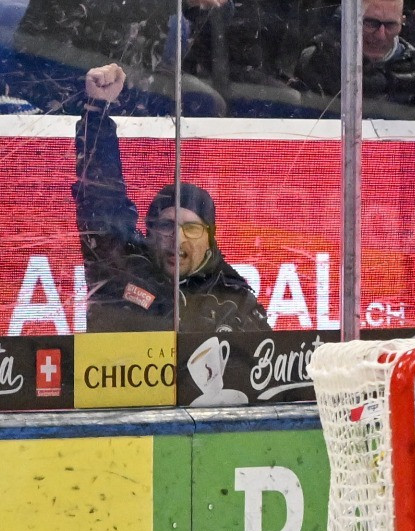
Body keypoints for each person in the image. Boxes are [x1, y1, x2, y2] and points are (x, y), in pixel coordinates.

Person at [73, 65, 269, 335]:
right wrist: (97, 109)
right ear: (149, 232)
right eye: (166, 226)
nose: (177, 238)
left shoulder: (234, 302)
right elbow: (100, 197)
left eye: (191, 228)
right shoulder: (120, 268)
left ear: (209, 239)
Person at [293, 0, 415, 116]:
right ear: (349, 19)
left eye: (391, 25)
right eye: (370, 23)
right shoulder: (320, 57)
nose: (380, 35)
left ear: (402, 22)